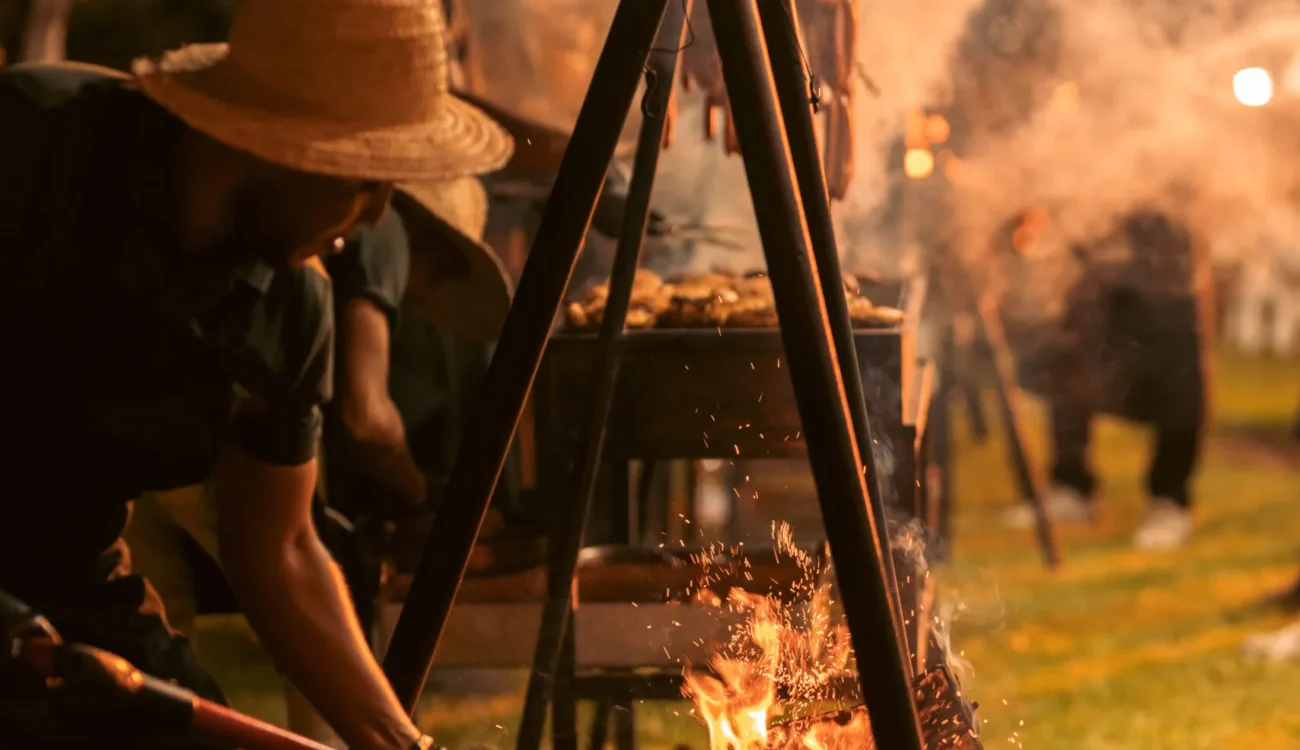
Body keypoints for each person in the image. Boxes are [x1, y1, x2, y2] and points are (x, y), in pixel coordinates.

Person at [0, 0, 512, 747]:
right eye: (367, 181)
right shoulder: (34, 148)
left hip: (70, 596)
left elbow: (281, 549)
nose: (373, 219)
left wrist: (396, 740)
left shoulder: (292, 311)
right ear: (294, 149)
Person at [1005, 209, 1213, 551]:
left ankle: (1169, 500)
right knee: (1073, 346)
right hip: (1092, 221)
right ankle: (1071, 485)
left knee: (1176, 366)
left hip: (1166, 232)